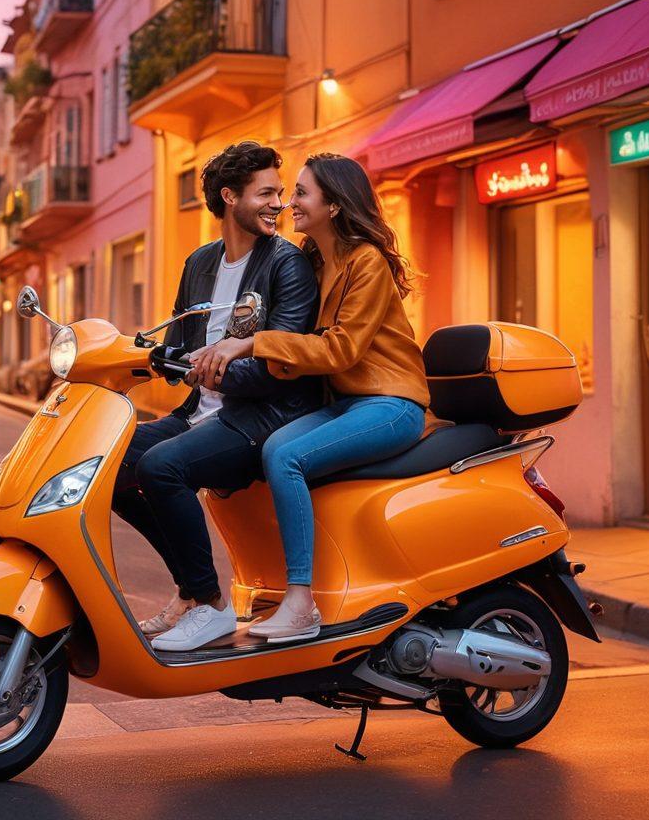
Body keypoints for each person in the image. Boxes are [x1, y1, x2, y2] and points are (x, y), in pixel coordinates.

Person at [192, 153, 430, 642]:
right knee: (271, 445)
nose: (288, 204)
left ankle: (301, 603)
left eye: (300, 193)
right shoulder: (315, 261)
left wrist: (251, 343)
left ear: (335, 205)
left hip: (391, 402)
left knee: (289, 455)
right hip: (345, 403)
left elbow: (341, 348)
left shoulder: (366, 263)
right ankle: (278, 591)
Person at [112, 141, 322, 652]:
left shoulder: (285, 265)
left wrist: (217, 373)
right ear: (230, 197)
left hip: (263, 419)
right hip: (199, 415)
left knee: (161, 468)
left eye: (280, 192)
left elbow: (284, 363)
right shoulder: (200, 263)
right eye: (266, 193)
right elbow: (183, 344)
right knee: (110, 465)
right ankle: (192, 592)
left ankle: (211, 607)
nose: (279, 203)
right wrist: (148, 357)